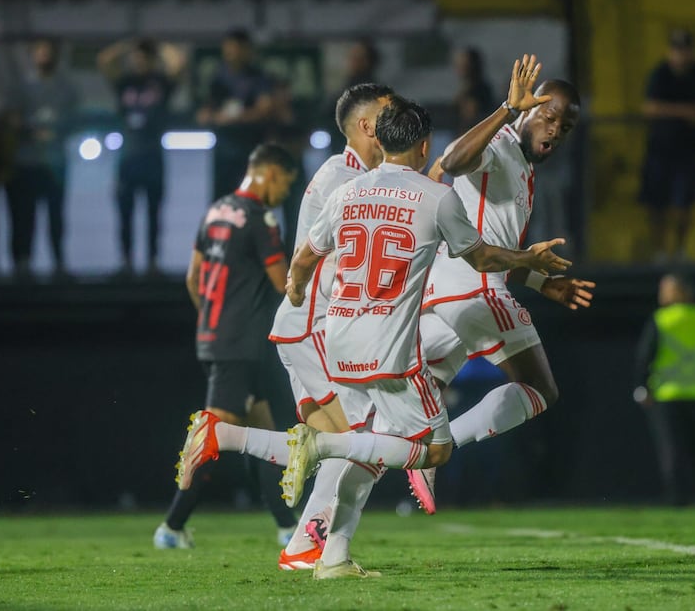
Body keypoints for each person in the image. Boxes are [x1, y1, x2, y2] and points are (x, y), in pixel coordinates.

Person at [173, 95, 571, 578]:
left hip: (335, 332)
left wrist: (297, 290)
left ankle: (323, 550)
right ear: (419, 144)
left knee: (367, 443)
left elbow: (303, 257)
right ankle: (266, 462)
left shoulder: (349, 188)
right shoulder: (421, 191)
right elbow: (480, 256)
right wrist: (530, 264)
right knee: (385, 446)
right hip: (348, 336)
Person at [416, 55, 592, 512]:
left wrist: (537, 280)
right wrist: (506, 111)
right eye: (549, 117)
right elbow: (452, 161)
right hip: (474, 287)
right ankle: (436, 448)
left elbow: (493, 243)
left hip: (445, 294)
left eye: (565, 128)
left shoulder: (522, 166)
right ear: (529, 112)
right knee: (539, 389)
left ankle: (326, 490)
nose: (555, 131)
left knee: (414, 393)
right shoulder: (501, 143)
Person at [268, 82, 394, 571]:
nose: (397, 118)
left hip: (309, 329)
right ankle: (327, 552)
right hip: (315, 328)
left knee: (352, 447)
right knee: (371, 439)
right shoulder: (346, 177)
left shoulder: (359, 173)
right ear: (366, 126)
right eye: (389, 113)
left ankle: (304, 546)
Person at [153, 143, 300, 550]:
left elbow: (192, 278)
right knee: (213, 435)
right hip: (243, 346)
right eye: (285, 184)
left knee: (264, 438)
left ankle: (288, 527)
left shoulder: (216, 210)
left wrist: (213, 323)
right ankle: (171, 526)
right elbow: (282, 283)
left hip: (219, 340)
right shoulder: (259, 217)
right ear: (270, 173)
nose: (284, 193)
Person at [97, 37, 186, 276]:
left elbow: (179, 63)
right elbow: (104, 61)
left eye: (144, 57)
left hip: (153, 155)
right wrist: (128, 44)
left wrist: (158, 46)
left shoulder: (160, 83)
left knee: (154, 211)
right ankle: (126, 261)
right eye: (137, 58)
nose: (139, 61)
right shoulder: (125, 82)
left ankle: (153, 262)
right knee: (125, 211)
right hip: (128, 156)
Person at [633, 273, 695, 506]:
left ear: (679, 292)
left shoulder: (662, 319)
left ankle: (677, 500)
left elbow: (645, 356)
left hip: (667, 395)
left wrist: (642, 387)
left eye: (666, 289)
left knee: (672, 453)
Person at [6, 38, 79, 278]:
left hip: (55, 163)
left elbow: (73, 120)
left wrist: (56, 131)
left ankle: (59, 262)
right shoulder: (21, 86)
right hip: (26, 162)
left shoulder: (65, 88)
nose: (44, 56)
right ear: (32, 54)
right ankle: (23, 263)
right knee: (23, 215)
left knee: (56, 215)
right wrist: (31, 130)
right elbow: (12, 119)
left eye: (48, 52)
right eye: (39, 52)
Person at [639, 30, 695, 261]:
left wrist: (682, 113)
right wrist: (683, 112)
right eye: (676, 49)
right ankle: (660, 251)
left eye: (684, 49)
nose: (680, 55)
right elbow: (649, 108)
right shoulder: (660, 73)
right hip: (659, 149)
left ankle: (679, 249)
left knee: (684, 203)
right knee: (656, 203)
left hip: (687, 150)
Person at [198, 29, 275, 200]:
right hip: (224, 153)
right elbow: (204, 112)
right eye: (228, 48)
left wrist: (237, 118)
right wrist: (213, 117)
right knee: (223, 206)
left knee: (251, 206)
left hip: (251, 152)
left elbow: (265, 108)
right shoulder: (218, 78)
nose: (231, 53)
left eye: (236, 48)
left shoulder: (258, 77)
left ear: (247, 50)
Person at [321, 39, 381, 152]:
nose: (351, 61)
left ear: (367, 62)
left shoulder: (370, 92)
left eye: (357, 58)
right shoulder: (348, 87)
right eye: (352, 57)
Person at [453, 47, 495, 136]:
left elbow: (471, 119)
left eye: (465, 64)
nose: (460, 68)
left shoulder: (479, 90)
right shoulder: (466, 89)